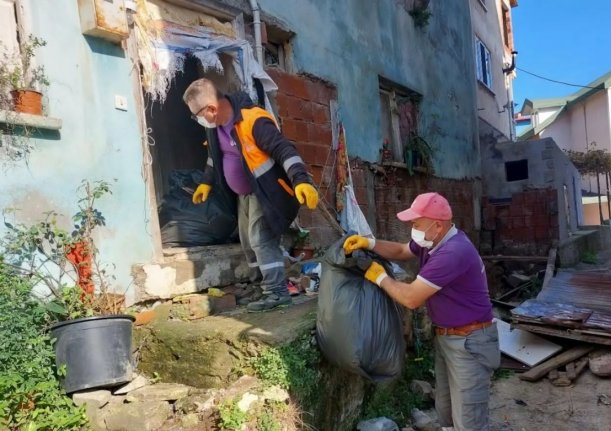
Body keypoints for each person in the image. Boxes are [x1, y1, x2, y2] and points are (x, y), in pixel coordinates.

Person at [343, 192, 500, 431]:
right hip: (448, 337)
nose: (412, 229)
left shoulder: (453, 252)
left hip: (470, 342)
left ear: (437, 225)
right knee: (446, 412)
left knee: (469, 420)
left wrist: (380, 276)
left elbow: (410, 298)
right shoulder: (433, 240)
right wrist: (369, 243)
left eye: (416, 224)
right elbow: (400, 251)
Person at [183, 78, 319, 312]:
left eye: (197, 114)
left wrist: (301, 180)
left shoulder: (253, 120)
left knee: (260, 238)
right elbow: (215, 157)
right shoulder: (214, 128)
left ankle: (276, 292)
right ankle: (261, 287)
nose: (198, 120)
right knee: (248, 242)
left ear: (211, 109)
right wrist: (206, 182)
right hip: (243, 195)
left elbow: (284, 150)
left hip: (265, 192)